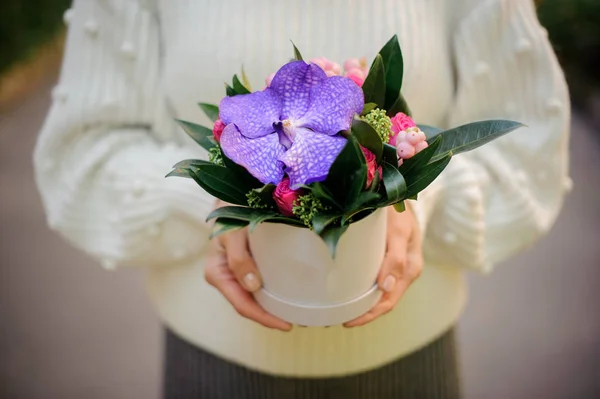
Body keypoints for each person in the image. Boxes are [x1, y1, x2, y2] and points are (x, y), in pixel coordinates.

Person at [34, 0, 570, 397]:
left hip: (408, 365)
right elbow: (80, 161)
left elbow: (529, 157)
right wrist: (216, 206)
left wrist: (411, 203)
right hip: (215, 367)